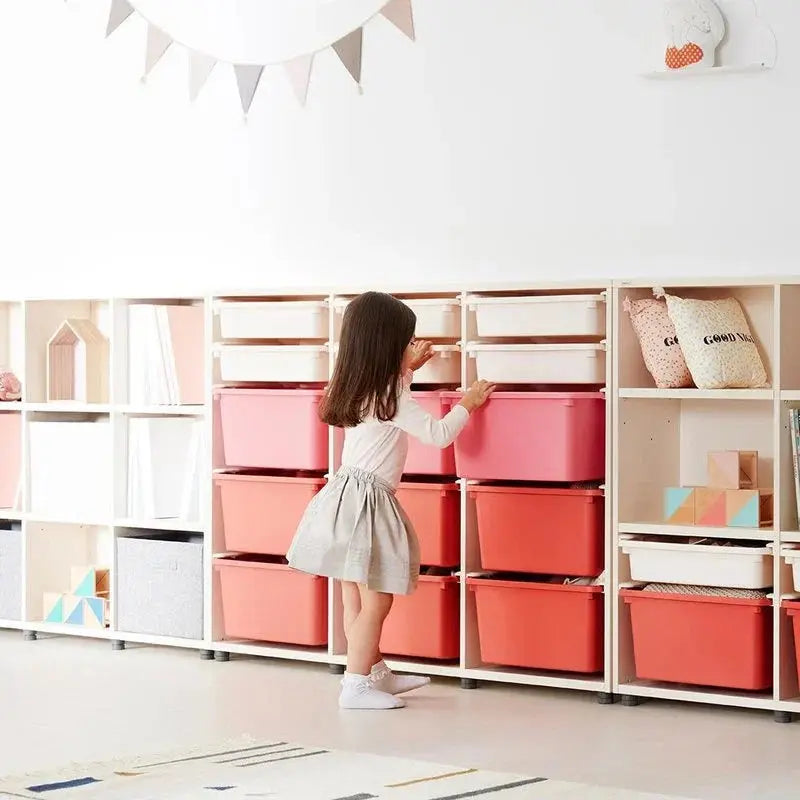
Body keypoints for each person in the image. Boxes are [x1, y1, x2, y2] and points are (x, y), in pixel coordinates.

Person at [287, 291, 494, 710]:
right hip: (368, 503)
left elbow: (391, 401)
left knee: (354, 597)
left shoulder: (357, 387)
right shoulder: (391, 396)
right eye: (406, 341)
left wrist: (408, 370)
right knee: (378, 597)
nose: (410, 346)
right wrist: (468, 405)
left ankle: (373, 671)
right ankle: (356, 686)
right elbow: (437, 435)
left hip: (344, 496)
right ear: (387, 346)